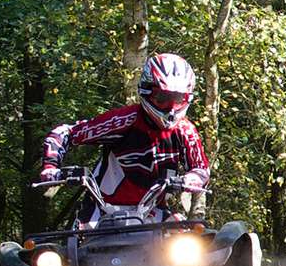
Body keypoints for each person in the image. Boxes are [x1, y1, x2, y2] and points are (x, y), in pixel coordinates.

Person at [39, 52, 209, 219]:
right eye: (162, 98)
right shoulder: (123, 121)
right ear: (146, 91)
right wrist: (50, 168)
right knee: (73, 244)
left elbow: (201, 169)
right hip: (102, 212)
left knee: (189, 236)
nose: (171, 107)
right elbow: (65, 132)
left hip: (152, 213)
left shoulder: (185, 130)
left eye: (178, 99)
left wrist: (189, 180)